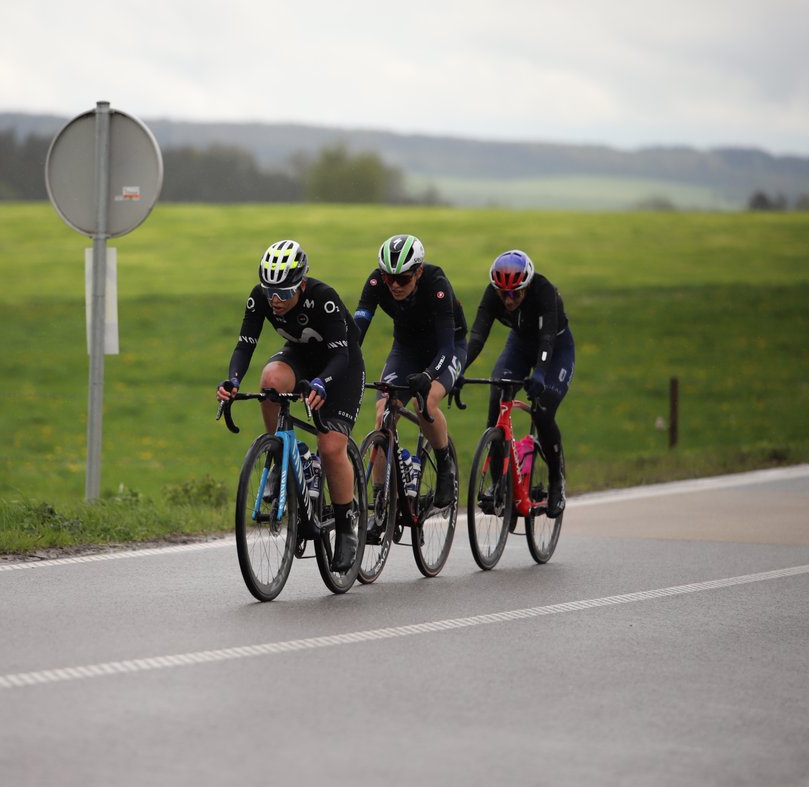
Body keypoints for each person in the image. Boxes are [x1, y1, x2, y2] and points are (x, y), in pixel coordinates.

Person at [217, 239, 366, 572]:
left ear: (301, 283)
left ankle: (345, 528)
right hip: (300, 356)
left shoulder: (324, 299)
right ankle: (284, 456)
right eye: (270, 290)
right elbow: (245, 345)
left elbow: (341, 355)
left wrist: (321, 384)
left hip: (339, 365)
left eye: (283, 293)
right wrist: (233, 381)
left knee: (330, 447)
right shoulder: (261, 299)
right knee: (270, 379)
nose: (275, 300)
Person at [353, 234, 466, 508]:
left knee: (423, 402)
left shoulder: (436, 283)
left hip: (445, 347)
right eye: (388, 277)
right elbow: (358, 329)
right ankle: (381, 502)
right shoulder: (376, 282)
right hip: (405, 348)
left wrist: (428, 376)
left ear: (418, 271)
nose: (393, 285)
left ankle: (444, 465)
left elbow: (447, 347)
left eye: (402, 279)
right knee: (382, 416)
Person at [464, 249, 574, 517]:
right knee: (497, 395)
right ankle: (498, 483)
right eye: (503, 294)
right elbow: (477, 336)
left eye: (515, 293)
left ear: (526, 286)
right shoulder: (494, 294)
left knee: (543, 410)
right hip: (520, 345)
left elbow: (547, 338)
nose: (509, 299)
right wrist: (457, 371)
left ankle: (556, 479)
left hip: (555, 347)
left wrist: (540, 373)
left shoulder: (544, 290)